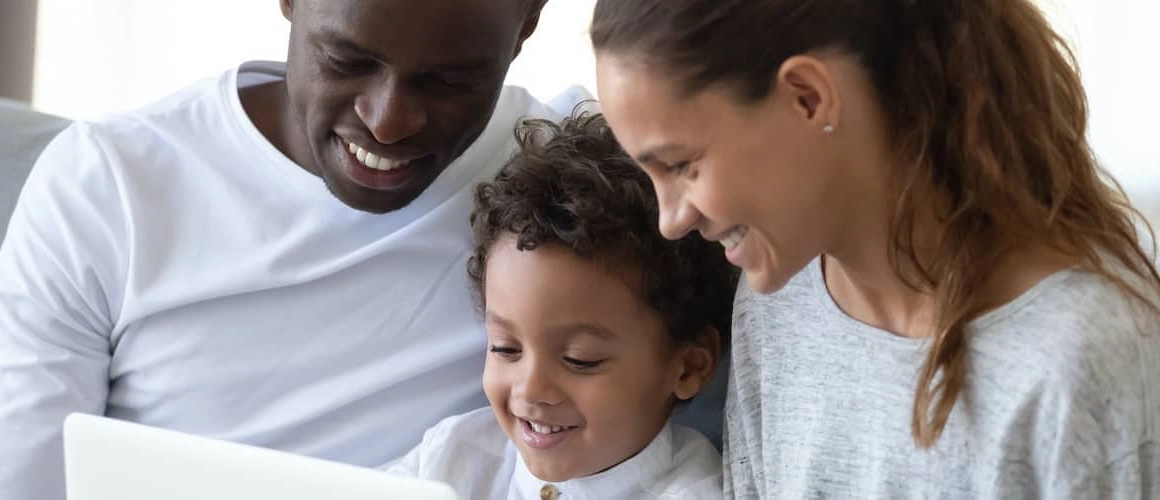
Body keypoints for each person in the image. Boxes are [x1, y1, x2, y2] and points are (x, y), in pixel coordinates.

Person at [0, 1, 584, 498]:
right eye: (346, 62)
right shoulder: (106, 185)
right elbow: (29, 480)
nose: (387, 123)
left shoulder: (579, 181)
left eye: (450, 81)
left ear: (528, 20)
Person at [589, 0, 1160, 497]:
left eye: (683, 165)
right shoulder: (777, 306)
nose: (671, 220)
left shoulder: (1088, 358)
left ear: (808, 98)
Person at [386, 112, 736, 499]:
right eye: (505, 348)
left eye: (580, 359)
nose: (531, 389)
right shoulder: (451, 456)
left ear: (688, 367)